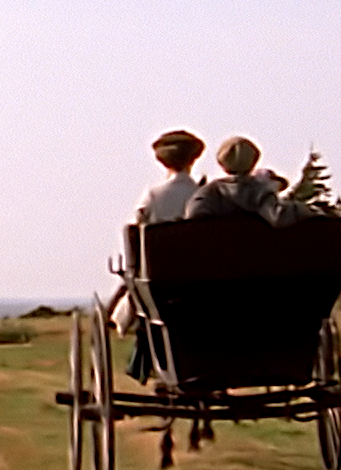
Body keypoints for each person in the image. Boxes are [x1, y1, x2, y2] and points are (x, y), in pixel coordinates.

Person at [115, 129, 204, 339]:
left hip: (159, 275)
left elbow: (136, 227)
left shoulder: (154, 194)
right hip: (197, 273)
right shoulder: (202, 193)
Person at [184, 136, 313, 227]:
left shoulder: (209, 191)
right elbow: (278, 217)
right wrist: (305, 209)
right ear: (254, 160)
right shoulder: (258, 190)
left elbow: (193, 218)